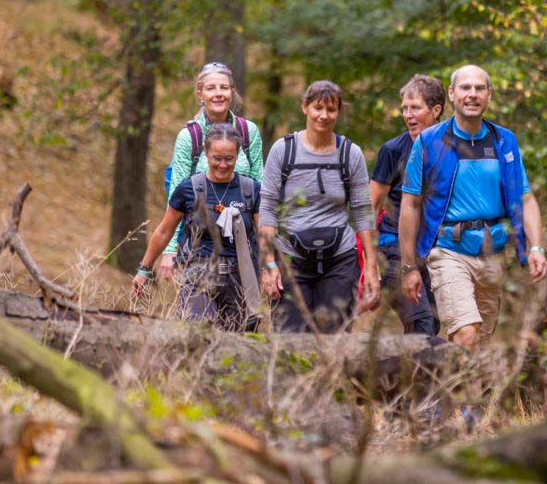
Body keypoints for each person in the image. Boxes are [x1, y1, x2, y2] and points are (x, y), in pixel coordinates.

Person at [398, 64, 547, 351]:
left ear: (489, 96)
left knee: (478, 344)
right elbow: (410, 203)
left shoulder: (504, 140)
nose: (472, 94)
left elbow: (525, 198)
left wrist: (536, 247)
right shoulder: (430, 142)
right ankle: (459, 391)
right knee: (466, 333)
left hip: (491, 254)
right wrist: (409, 266)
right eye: (465, 88)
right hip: (448, 251)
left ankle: (457, 393)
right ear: (452, 94)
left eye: (480, 88)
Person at [258, 80, 381, 331]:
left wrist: (370, 264)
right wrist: (269, 262)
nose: (324, 116)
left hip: (340, 259)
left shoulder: (350, 153)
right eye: (317, 108)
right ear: (305, 107)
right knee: (289, 342)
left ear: (338, 112)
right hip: (291, 259)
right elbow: (268, 208)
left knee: (336, 338)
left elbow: (363, 211)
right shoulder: (284, 151)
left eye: (331, 110)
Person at [132, 124, 263, 331]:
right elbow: (164, 231)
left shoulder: (251, 190)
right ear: (206, 153)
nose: (222, 165)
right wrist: (144, 270)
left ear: (237, 155)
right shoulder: (189, 188)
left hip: (240, 279)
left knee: (236, 346)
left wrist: (273, 270)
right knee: (198, 335)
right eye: (216, 158)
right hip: (199, 275)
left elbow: (265, 234)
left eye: (229, 159)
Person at [158, 62, 264, 281]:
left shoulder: (248, 131)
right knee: (196, 311)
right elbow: (176, 193)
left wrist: (268, 252)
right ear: (200, 94)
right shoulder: (190, 136)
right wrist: (169, 250)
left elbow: (261, 191)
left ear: (232, 93)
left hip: (243, 241)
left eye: (224, 88)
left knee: (245, 311)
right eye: (211, 88)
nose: (218, 94)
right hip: (198, 240)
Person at [370, 75, 444, 336]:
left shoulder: (452, 149)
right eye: (405, 108)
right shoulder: (392, 150)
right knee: (421, 324)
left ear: (436, 111)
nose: (408, 115)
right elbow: (371, 206)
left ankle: (407, 377)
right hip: (394, 251)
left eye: (416, 108)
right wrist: (368, 265)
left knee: (433, 326)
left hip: (438, 251)